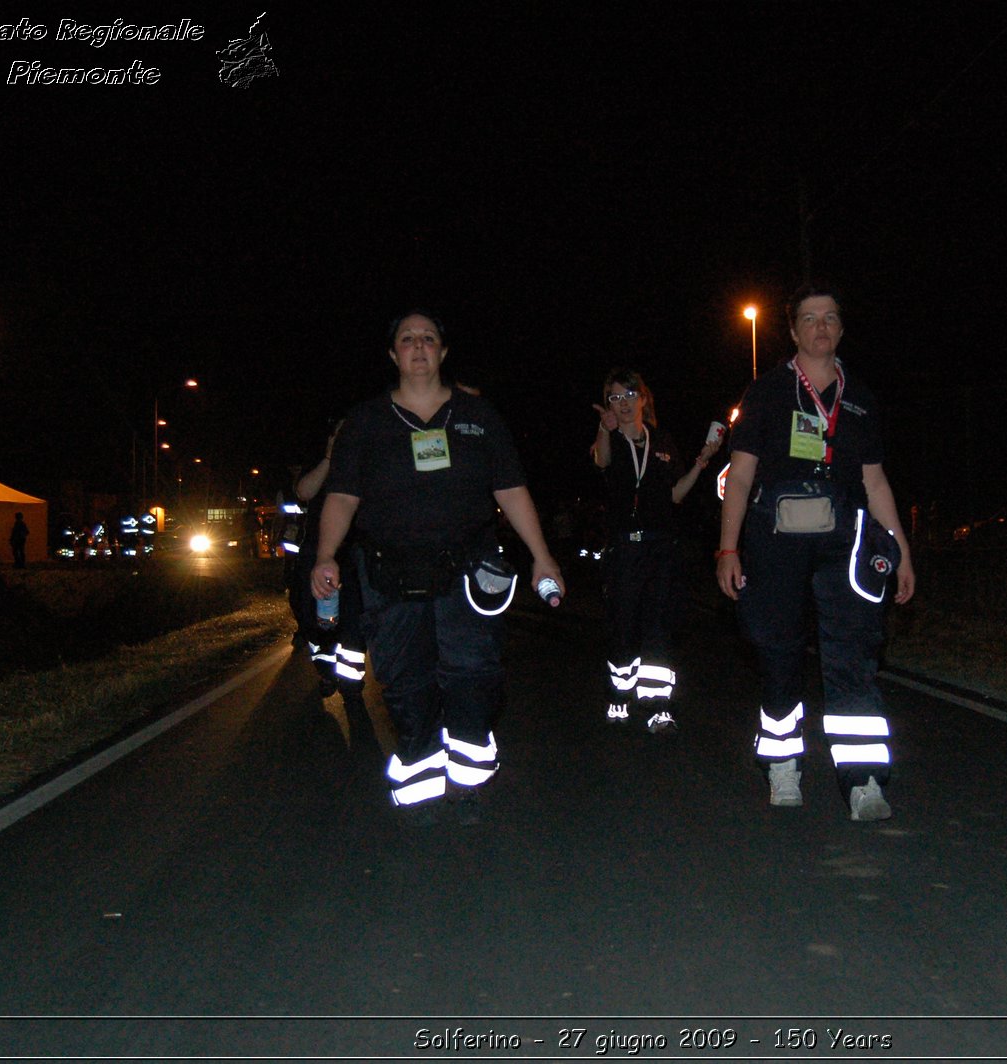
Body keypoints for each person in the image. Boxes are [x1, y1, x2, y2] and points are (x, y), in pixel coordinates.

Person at [310, 310, 564, 823]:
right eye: (407, 339)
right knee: (405, 681)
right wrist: (324, 555)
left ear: (443, 352)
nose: (418, 346)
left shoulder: (479, 417)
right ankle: (423, 777)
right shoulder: (366, 422)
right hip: (390, 575)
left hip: (467, 570)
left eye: (428, 338)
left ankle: (466, 779)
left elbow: (510, 488)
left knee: (473, 674)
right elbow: (341, 496)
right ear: (393, 354)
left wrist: (542, 555)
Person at [715, 284, 915, 822]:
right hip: (773, 539)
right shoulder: (767, 392)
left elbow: (875, 482)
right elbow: (740, 477)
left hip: (844, 541)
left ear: (841, 329)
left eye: (830, 317)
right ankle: (783, 765)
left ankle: (864, 782)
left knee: (853, 654)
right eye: (809, 318)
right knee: (778, 651)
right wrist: (728, 547)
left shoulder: (860, 398)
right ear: (795, 331)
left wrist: (901, 550)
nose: (821, 327)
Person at [590, 368, 721, 732]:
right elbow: (601, 461)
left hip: (661, 548)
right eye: (614, 397)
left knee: (659, 626)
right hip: (624, 549)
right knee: (623, 624)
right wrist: (604, 428)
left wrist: (701, 461)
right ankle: (619, 696)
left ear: (644, 399)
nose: (623, 403)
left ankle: (658, 705)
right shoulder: (610, 439)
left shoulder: (661, 441)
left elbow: (676, 494)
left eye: (629, 395)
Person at [287, 421, 380, 768]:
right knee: (315, 619)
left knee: (353, 623)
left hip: (353, 556)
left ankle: (352, 688)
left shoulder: (363, 467)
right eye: (337, 437)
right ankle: (325, 665)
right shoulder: (322, 468)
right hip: (316, 555)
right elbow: (304, 492)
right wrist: (328, 459)